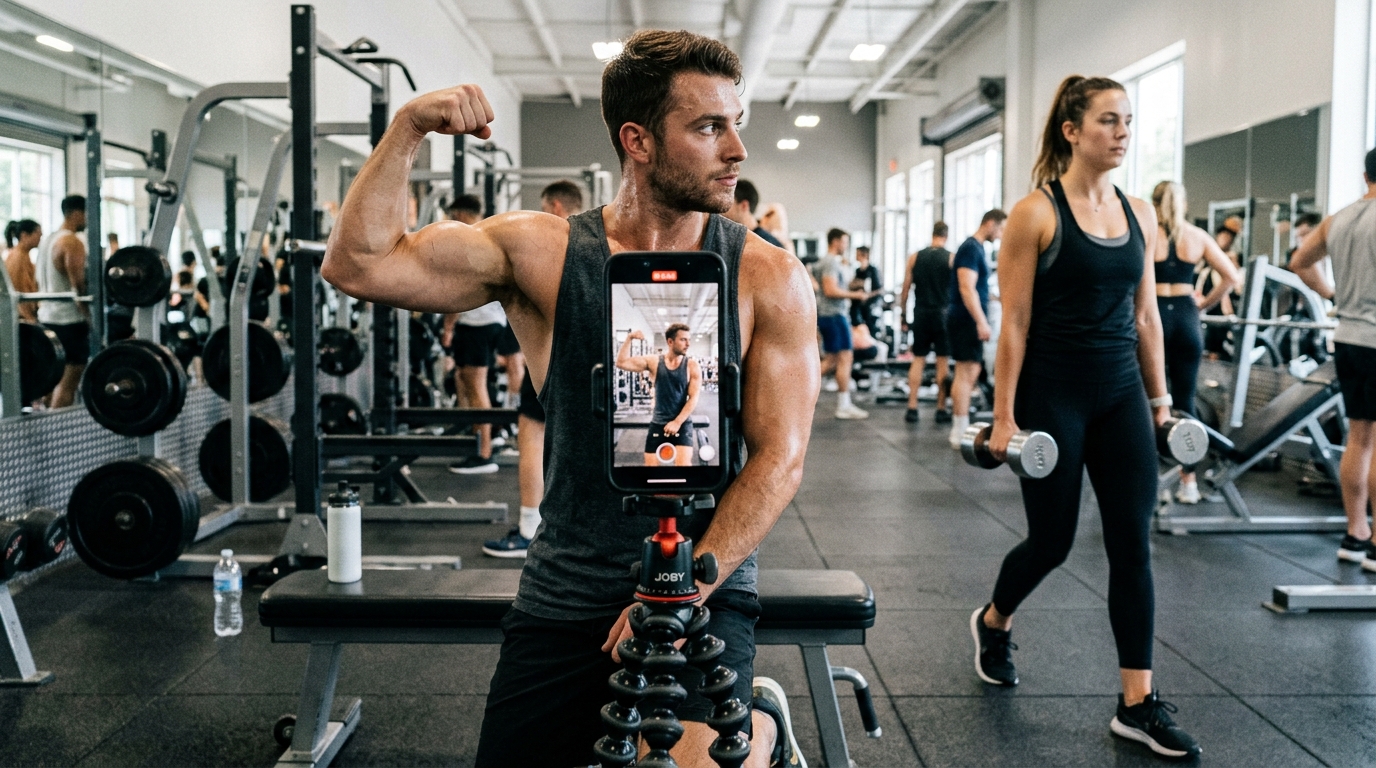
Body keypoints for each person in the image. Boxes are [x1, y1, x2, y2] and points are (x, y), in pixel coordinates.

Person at [321, 29, 816, 767]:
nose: (736, 149)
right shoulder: (543, 252)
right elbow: (359, 264)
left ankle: (759, 730)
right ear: (638, 141)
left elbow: (781, 458)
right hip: (566, 585)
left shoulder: (766, 277)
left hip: (700, 582)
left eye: (735, 123)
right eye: (709, 127)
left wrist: (682, 589)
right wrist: (409, 127)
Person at [974, 75, 1200, 760]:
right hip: (1054, 393)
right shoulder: (1035, 214)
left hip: (1122, 392)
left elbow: (1145, 318)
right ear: (1072, 130)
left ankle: (1137, 703)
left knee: (1133, 541)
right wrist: (1005, 417)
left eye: (1128, 120)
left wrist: (1163, 405)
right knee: (1054, 541)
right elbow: (1012, 324)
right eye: (1108, 119)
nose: (1123, 131)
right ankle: (993, 620)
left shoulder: (1139, 212)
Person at [482, 180, 585, 558]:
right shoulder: (596, 245)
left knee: (532, 429)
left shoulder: (548, 244)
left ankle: (529, 527)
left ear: (556, 207)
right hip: (587, 357)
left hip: (550, 355)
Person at [1290, 148, 1376, 572]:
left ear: (1366, 176)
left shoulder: (1340, 218)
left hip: (1347, 339)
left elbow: (1299, 262)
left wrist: (1332, 295)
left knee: (1359, 437)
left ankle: (1355, 533)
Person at [1151, 181, 1240, 503]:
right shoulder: (1198, 237)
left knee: (1152, 403)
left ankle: (1153, 483)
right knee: (1185, 403)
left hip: (1156, 318)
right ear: (1184, 203)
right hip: (1187, 319)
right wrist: (1202, 305)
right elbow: (1232, 276)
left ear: (1154, 202)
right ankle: (1188, 483)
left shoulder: (1148, 235)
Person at [441, 193, 505, 475]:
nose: (453, 221)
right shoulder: (491, 234)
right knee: (465, 380)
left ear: (462, 213)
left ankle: (484, 453)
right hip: (490, 322)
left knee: (476, 386)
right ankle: (484, 436)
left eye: (455, 215)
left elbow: (457, 290)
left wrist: (448, 326)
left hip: (475, 323)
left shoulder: (467, 238)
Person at [946, 210, 1006, 449]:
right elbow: (966, 287)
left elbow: (977, 288)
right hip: (966, 318)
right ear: (990, 224)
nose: (1001, 235)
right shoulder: (971, 248)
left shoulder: (977, 248)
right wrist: (981, 321)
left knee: (971, 371)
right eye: (1000, 229)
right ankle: (958, 431)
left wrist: (996, 299)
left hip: (967, 316)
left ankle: (960, 427)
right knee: (966, 372)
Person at [616, 325, 702, 466]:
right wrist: (629, 338)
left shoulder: (692, 366)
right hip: (658, 422)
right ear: (670, 342)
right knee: (650, 469)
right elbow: (621, 363)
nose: (688, 344)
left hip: (682, 423)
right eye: (683, 340)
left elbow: (693, 398)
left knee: (684, 467)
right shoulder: (654, 362)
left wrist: (677, 422)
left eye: (689, 340)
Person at [35, 195, 90, 408]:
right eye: (86, 214)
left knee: (51, 380)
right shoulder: (72, 242)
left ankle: (46, 432)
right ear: (77, 213)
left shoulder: (47, 241)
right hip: (69, 321)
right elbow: (78, 286)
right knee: (68, 384)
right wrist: (89, 318)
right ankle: (58, 434)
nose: (87, 220)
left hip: (46, 318)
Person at [813, 227, 872, 420]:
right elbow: (830, 290)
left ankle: (799, 391)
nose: (846, 246)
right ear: (836, 241)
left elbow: (831, 287)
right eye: (845, 242)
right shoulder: (830, 262)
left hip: (830, 315)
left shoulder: (830, 262)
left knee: (831, 360)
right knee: (845, 357)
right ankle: (843, 405)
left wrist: (852, 286)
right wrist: (855, 294)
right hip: (834, 315)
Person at [901, 221, 953, 424]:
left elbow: (906, 289)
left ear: (932, 234)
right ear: (945, 236)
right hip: (942, 314)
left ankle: (912, 406)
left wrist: (903, 315)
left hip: (921, 313)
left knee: (918, 359)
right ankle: (941, 408)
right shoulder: (950, 258)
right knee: (942, 362)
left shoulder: (915, 257)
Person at [725, 179, 784, 248]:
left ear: (744, 206)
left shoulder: (769, 245)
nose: (723, 210)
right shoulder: (736, 239)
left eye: (728, 204)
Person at [4, 219, 42, 323]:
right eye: (38, 234)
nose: (40, 238)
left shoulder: (23, 256)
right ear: (24, 235)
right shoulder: (18, 257)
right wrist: (30, 318)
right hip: (22, 317)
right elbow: (17, 290)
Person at [848, 246, 882, 336]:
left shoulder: (872, 270)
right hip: (857, 305)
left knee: (869, 328)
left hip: (868, 306)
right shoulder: (857, 270)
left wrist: (868, 296)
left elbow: (879, 289)